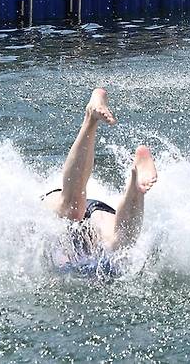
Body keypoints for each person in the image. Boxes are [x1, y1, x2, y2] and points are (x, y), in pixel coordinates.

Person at [42, 88, 157, 276]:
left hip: (60, 210)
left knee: (72, 209)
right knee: (119, 242)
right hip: (92, 214)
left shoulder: (32, 221)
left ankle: (91, 119)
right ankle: (135, 184)